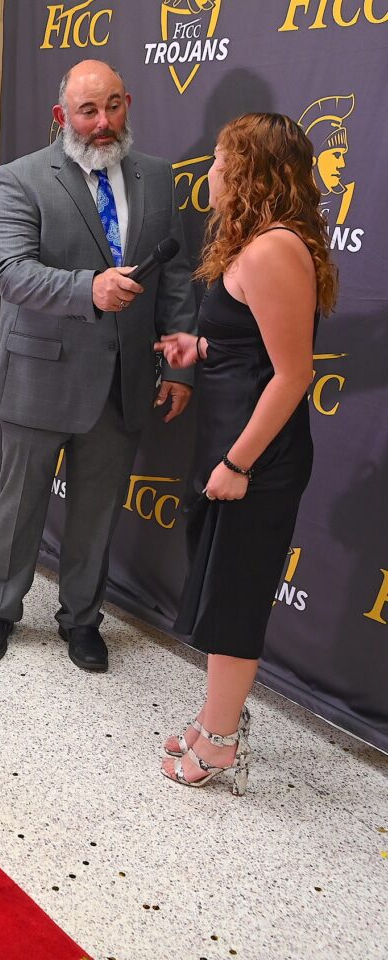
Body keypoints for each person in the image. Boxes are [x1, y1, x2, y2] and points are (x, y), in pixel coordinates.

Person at [0, 59, 197, 672]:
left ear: (129, 102)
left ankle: (82, 620)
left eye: (113, 107)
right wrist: (88, 290)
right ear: (60, 116)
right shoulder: (19, 180)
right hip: (39, 373)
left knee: (97, 511)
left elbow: (174, 276)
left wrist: (179, 363)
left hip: (121, 381)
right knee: (19, 507)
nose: (103, 124)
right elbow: (10, 273)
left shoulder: (156, 176)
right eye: (88, 111)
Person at [153, 114, 335, 794]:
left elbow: (293, 374)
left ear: (250, 173)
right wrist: (193, 348)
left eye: (221, 163)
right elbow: (245, 346)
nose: (210, 176)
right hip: (228, 452)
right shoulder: (256, 246)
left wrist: (238, 466)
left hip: (255, 461)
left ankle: (221, 744)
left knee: (233, 604)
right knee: (220, 594)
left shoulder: (273, 250)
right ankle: (212, 719)